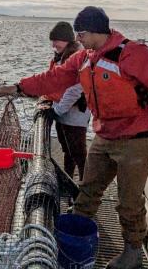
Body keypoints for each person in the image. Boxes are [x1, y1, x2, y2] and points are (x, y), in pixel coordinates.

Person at [0, 6, 148, 269]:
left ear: (96, 32)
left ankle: (132, 252)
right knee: (88, 190)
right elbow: (54, 77)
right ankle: (74, 238)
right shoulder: (84, 58)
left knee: (129, 201)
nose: (79, 39)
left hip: (135, 140)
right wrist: (20, 86)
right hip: (104, 135)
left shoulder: (132, 53)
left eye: (82, 33)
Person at [44, 21, 90, 185]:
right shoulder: (59, 58)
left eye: (57, 40)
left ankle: (85, 189)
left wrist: (58, 110)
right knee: (67, 151)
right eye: (53, 40)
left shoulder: (77, 58)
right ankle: (67, 181)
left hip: (75, 115)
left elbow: (77, 89)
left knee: (79, 154)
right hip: (61, 112)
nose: (54, 44)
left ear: (68, 41)